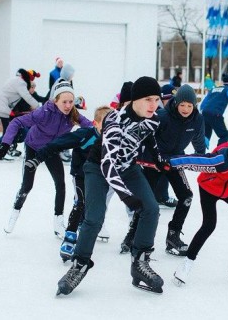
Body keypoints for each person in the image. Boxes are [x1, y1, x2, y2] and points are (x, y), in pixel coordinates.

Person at [56, 76, 166, 296]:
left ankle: (140, 263)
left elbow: (149, 137)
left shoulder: (153, 118)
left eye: (156, 99)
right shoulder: (115, 121)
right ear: (134, 100)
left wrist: (159, 159)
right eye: (148, 99)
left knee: (152, 209)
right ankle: (80, 263)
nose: (154, 105)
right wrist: (127, 197)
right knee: (94, 217)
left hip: (128, 166)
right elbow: (108, 165)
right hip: (98, 167)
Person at [0, 80, 93, 238]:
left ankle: (58, 221)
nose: (68, 106)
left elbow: (91, 127)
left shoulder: (73, 114)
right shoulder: (44, 112)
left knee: (60, 184)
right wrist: (6, 143)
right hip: (33, 148)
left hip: (52, 150)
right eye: (64, 102)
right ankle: (15, 212)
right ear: (55, 100)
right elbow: (17, 121)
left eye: (70, 102)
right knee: (27, 186)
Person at [170, 123, 228, 286]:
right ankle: (185, 266)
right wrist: (171, 161)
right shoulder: (223, 159)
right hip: (209, 187)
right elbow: (196, 160)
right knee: (209, 225)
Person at [124, 84, 206, 257]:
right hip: (154, 162)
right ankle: (132, 235)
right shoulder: (162, 116)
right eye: (182, 105)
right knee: (147, 199)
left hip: (175, 161)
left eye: (189, 106)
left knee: (186, 196)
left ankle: (173, 235)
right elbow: (144, 136)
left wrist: (200, 156)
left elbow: (199, 139)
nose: (185, 109)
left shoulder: (197, 120)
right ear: (176, 103)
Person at [24, 106, 113, 261]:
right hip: (81, 175)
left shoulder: (114, 140)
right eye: (105, 123)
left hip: (101, 178)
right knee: (80, 203)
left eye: (113, 123)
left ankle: (89, 225)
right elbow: (58, 143)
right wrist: (38, 158)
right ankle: (70, 238)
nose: (110, 127)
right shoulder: (85, 135)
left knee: (94, 206)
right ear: (95, 123)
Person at [0, 69, 40, 156]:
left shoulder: (14, 79)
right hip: (2, 105)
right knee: (7, 129)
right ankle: (4, 151)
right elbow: (27, 97)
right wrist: (38, 107)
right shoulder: (21, 83)